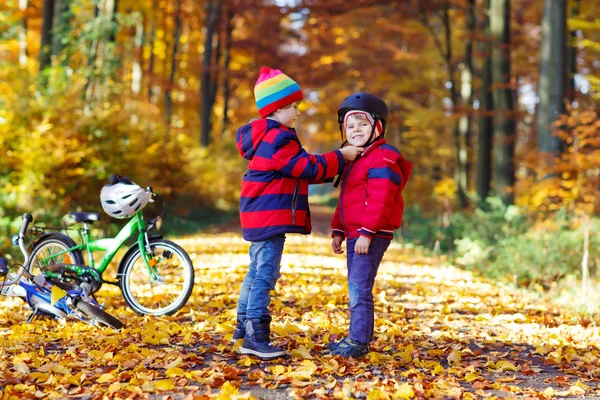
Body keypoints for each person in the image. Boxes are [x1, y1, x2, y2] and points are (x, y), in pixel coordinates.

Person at [233, 67, 364, 360]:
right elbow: (304, 167)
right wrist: (339, 157)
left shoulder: (265, 136)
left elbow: (300, 170)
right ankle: (255, 336)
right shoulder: (278, 138)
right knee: (265, 274)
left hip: (258, 215)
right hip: (268, 217)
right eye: (293, 106)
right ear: (277, 107)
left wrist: (332, 162)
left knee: (255, 272)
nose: (297, 112)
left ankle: (242, 329)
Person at [328, 92, 413, 358]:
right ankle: (356, 336)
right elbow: (347, 199)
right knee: (355, 285)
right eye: (350, 125)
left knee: (359, 286)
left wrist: (367, 232)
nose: (355, 130)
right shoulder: (355, 159)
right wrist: (338, 229)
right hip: (356, 234)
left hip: (371, 234)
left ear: (377, 126)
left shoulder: (383, 157)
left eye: (362, 124)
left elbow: (381, 198)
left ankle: (359, 341)